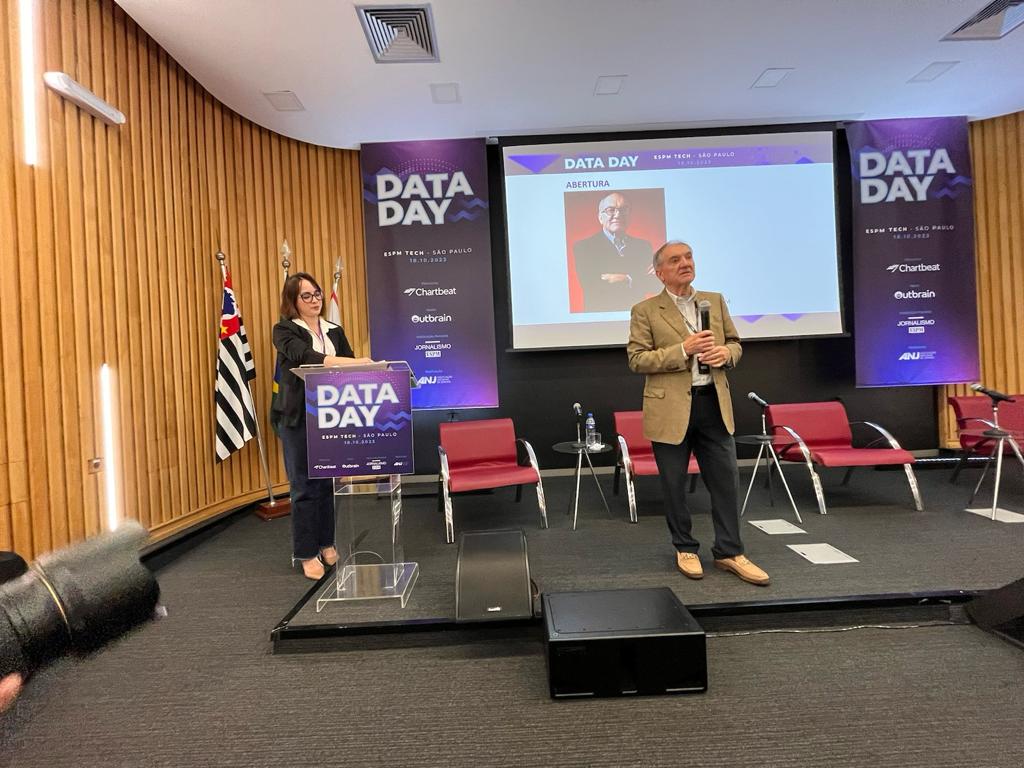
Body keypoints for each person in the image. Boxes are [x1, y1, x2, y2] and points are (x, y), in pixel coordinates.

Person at [626, 241, 770, 586]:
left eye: (688, 257)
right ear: (659, 272)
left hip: (713, 403)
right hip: (670, 409)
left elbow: (735, 343)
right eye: (675, 260)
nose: (685, 263)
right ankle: (685, 547)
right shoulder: (645, 310)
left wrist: (727, 354)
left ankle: (729, 551)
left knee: (726, 482)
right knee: (674, 484)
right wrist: (682, 350)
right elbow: (637, 359)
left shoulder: (714, 300)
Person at [272, 273, 370, 580]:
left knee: (327, 483)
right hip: (298, 417)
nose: (315, 300)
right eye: (307, 296)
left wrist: (356, 365)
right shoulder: (284, 330)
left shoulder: (334, 330)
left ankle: (326, 541)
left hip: (330, 415)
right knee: (304, 486)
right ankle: (305, 552)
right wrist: (358, 362)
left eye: (317, 294)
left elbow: (347, 363)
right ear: (293, 300)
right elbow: (305, 357)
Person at [573, 192, 656, 312]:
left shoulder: (643, 247)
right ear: (600, 218)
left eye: (624, 210)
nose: (618, 215)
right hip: (600, 317)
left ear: (629, 216)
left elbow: (654, 284)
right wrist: (638, 278)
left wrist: (625, 279)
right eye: (610, 210)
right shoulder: (584, 247)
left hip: (637, 317)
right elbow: (593, 286)